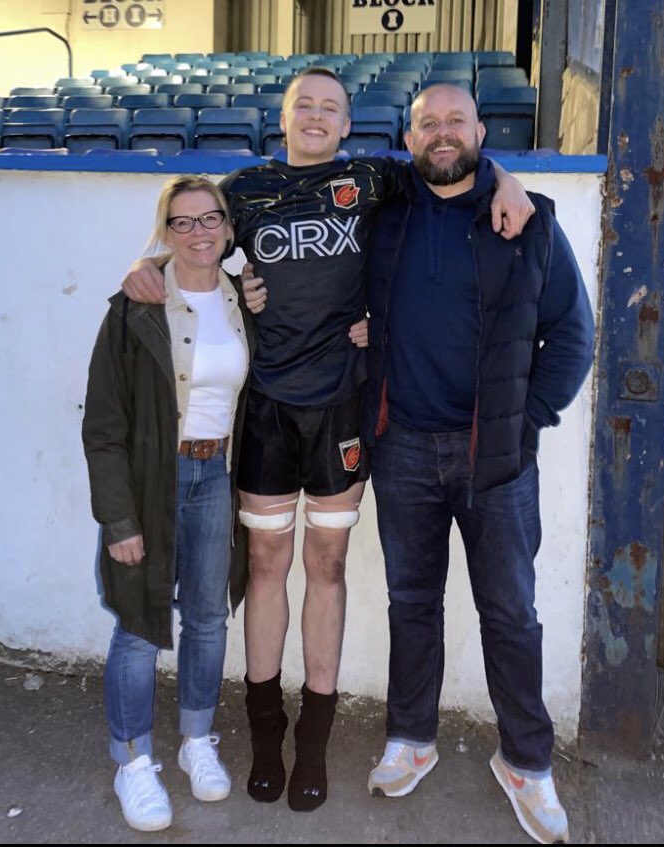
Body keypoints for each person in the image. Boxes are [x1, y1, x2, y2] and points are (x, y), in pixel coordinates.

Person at [121, 67, 535, 812]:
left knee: (329, 562)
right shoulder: (242, 192)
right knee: (269, 562)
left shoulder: (375, 178)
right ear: (280, 118)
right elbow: (189, 239)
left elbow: (452, 162)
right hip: (269, 410)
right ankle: (267, 733)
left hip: (343, 407)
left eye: (330, 108)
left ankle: (313, 740)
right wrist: (144, 266)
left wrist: (509, 181)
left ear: (350, 125)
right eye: (303, 105)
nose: (316, 116)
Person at [362, 83, 595, 845]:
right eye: (426, 121)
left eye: (454, 120)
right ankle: (410, 736)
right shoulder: (384, 211)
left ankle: (527, 759)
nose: (441, 132)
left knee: (511, 614)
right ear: (407, 134)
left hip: (492, 457)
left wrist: (522, 422)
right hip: (401, 449)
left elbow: (572, 334)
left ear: (480, 131)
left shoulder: (526, 221)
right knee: (412, 602)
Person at [82, 176, 255, 832]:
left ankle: (196, 740)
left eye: (210, 218)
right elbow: (102, 426)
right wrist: (118, 519)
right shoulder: (135, 308)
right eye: (181, 223)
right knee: (138, 620)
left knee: (208, 617)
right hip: (152, 477)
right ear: (165, 232)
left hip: (216, 477)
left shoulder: (246, 299)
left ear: (227, 226)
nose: (199, 232)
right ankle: (132, 758)